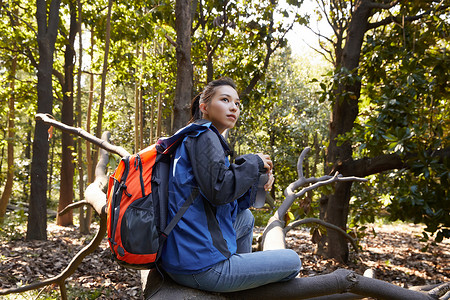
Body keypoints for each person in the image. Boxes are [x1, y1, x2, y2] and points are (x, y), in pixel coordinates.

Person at [160, 77, 301, 292]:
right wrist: (253, 161)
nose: (233, 107)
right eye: (225, 100)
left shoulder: (195, 136)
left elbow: (222, 202)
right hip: (200, 267)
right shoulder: (204, 136)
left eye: (236, 103)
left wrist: (255, 182)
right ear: (204, 107)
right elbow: (220, 190)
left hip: (182, 258)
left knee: (245, 219)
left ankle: (238, 275)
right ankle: (235, 280)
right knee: (293, 261)